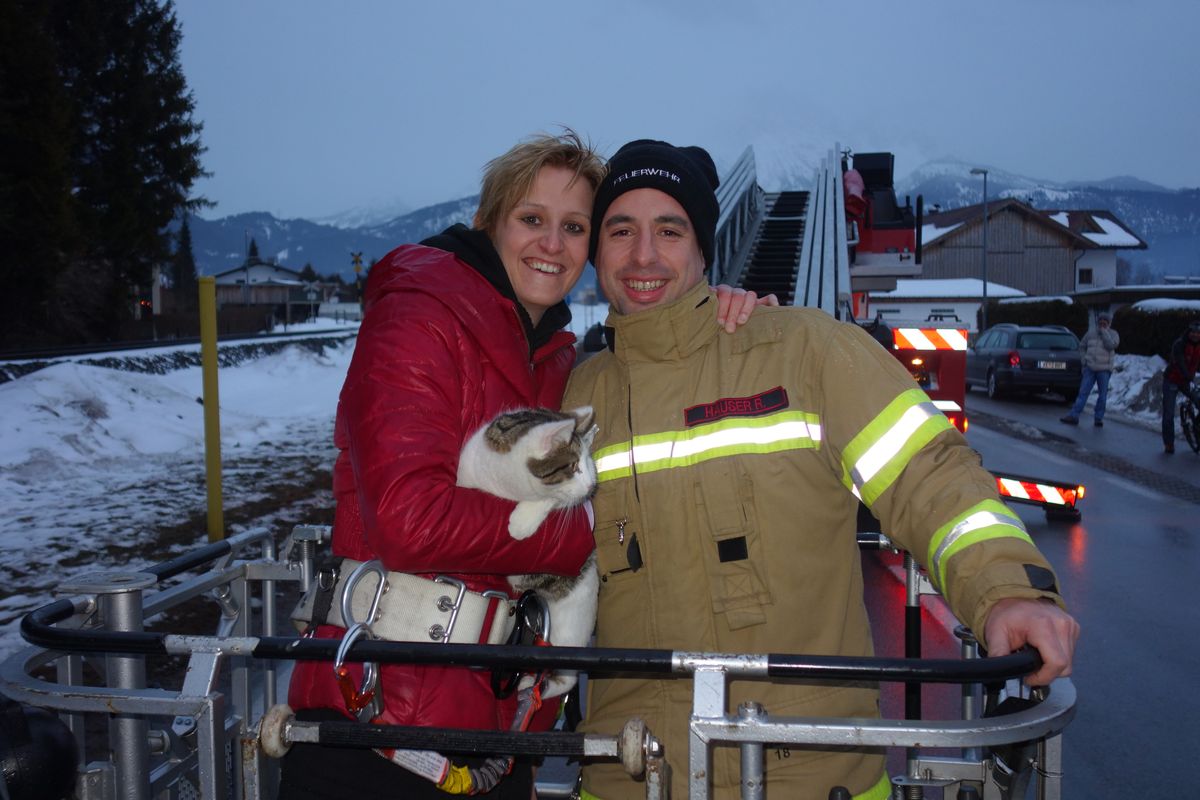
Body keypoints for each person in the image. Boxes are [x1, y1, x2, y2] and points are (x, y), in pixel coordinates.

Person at [563, 139, 1080, 800]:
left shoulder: (808, 351)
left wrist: (1008, 589)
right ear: (596, 252)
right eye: (620, 231)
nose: (643, 256)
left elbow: (931, 475)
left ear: (701, 248)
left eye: (669, 229)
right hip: (627, 778)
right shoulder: (578, 399)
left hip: (812, 774)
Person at [279, 131, 768, 800]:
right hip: (377, 721)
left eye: (574, 227)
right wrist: (576, 536)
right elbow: (408, 518)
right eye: (531, 220)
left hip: (498, 735)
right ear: (488, 223)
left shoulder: (558, 362)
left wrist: (735, 320)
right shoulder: (419, 318)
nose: (552, 244)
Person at [1060, 311, 1119, 427]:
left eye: (1105, 321)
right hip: (1090, 368)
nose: (1102, 323)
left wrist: (1104, 333)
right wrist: (1084, 361)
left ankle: (1098, 418)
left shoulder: (1113, 334)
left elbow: (1111, 345)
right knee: (1083, 393)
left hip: (1104, 369)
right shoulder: (1090, 333)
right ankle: (1074, 415)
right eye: (1101, 321)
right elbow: (1082, 346)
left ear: (1109, 323)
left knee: (1102, 396)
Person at [1161, 319, 1200, 454]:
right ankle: (1169, 443)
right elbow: (1180, 362)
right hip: (1172, 380)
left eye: (1198, 333)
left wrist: (1190, 378)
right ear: (1189, 332)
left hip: (1186, 380)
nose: (1195, 335)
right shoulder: (1179, 344)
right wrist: (1188, 377)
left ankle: (1196, 428)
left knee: (1198, 400)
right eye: (1193, 332)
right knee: (1169, 414)